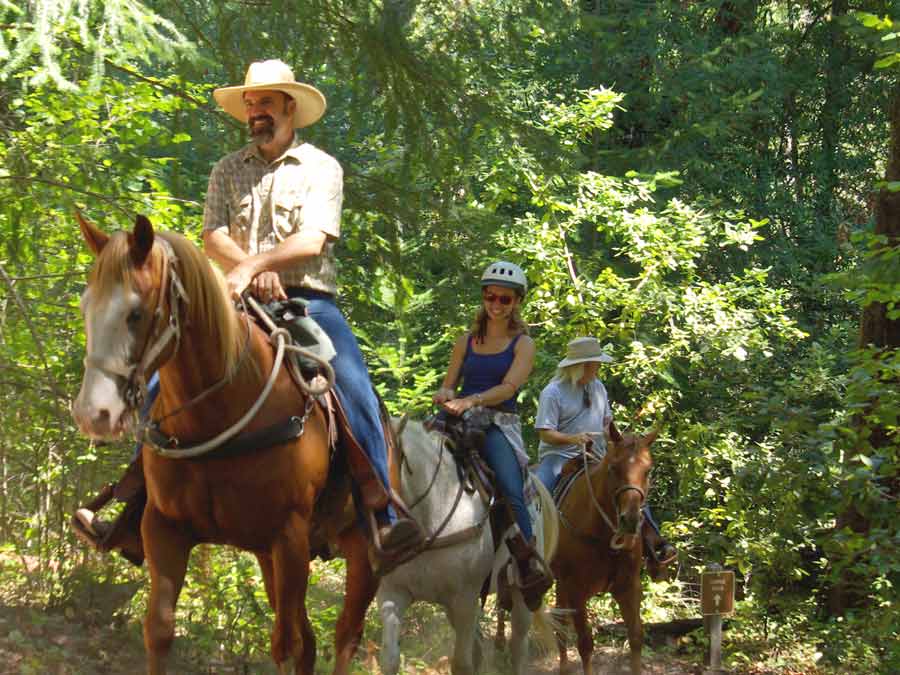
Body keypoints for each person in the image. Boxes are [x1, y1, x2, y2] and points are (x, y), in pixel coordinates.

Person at [72, 59, 424, 565]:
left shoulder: (322, 168)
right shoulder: (226, 169)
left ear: (289, 106)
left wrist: (263, 264)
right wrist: (246, 270)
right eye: (250, 104)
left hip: (308, 301)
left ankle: (383, 512)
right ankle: (134, 504)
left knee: (351, 380)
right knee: (161, 380)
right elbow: (213, 236)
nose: (255, 111)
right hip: (234, 300)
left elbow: (313, 238)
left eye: (264, 102)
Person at [432, 261, 552, 610]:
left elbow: (509, 387)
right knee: (411, 456)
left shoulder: (523, 344)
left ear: (517, 303)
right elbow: (448, 383)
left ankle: (529, 561)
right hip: (459, 415)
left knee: (512, 489)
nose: (496, 305)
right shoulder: (465, 341)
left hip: (498, 422)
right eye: (490, 297)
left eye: (504, 299)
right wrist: (445, 394)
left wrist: (472, 400)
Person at [534, 336, 677, 579]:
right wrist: (573, 439)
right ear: (580, 365)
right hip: (559, 456)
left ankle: (656, 545)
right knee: (537, 494)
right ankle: (531, 551)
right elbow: (545, 433)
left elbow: (607, 423)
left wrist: (620, 445)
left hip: (597, 455)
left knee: (630, 489)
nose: (598, 368)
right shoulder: (553, 392)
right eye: (595, 364)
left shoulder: (597, 387)